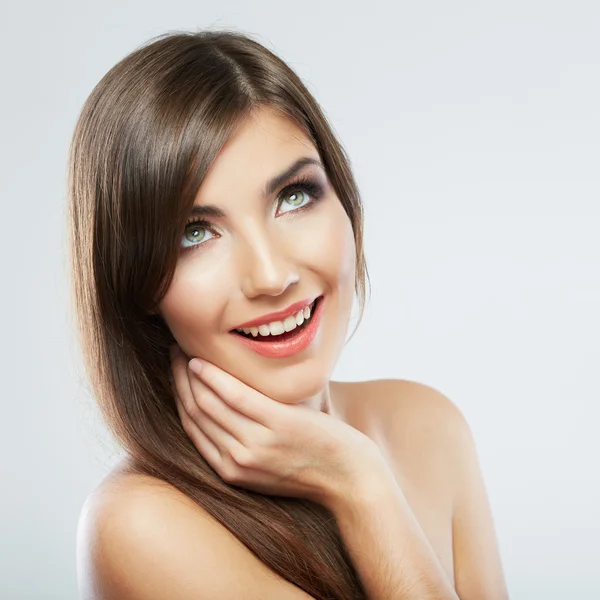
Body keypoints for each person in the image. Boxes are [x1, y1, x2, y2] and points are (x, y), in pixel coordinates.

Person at [70, 29, 509, 600]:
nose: (271, 276)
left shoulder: (427, 425)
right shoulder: (139, 525)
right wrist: (360, 487)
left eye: (294, 196)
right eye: (195, 233)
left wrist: (358, 474)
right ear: (136, 285)